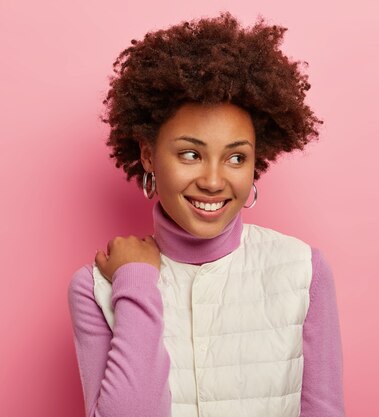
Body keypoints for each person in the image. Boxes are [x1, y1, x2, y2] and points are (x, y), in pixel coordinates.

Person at [67, 12, 344, 417]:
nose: (214, 181)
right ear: (148, 154)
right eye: (191, 154)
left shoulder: (303, 270)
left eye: (236, 157)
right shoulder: (96, 288)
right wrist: (137, 283)